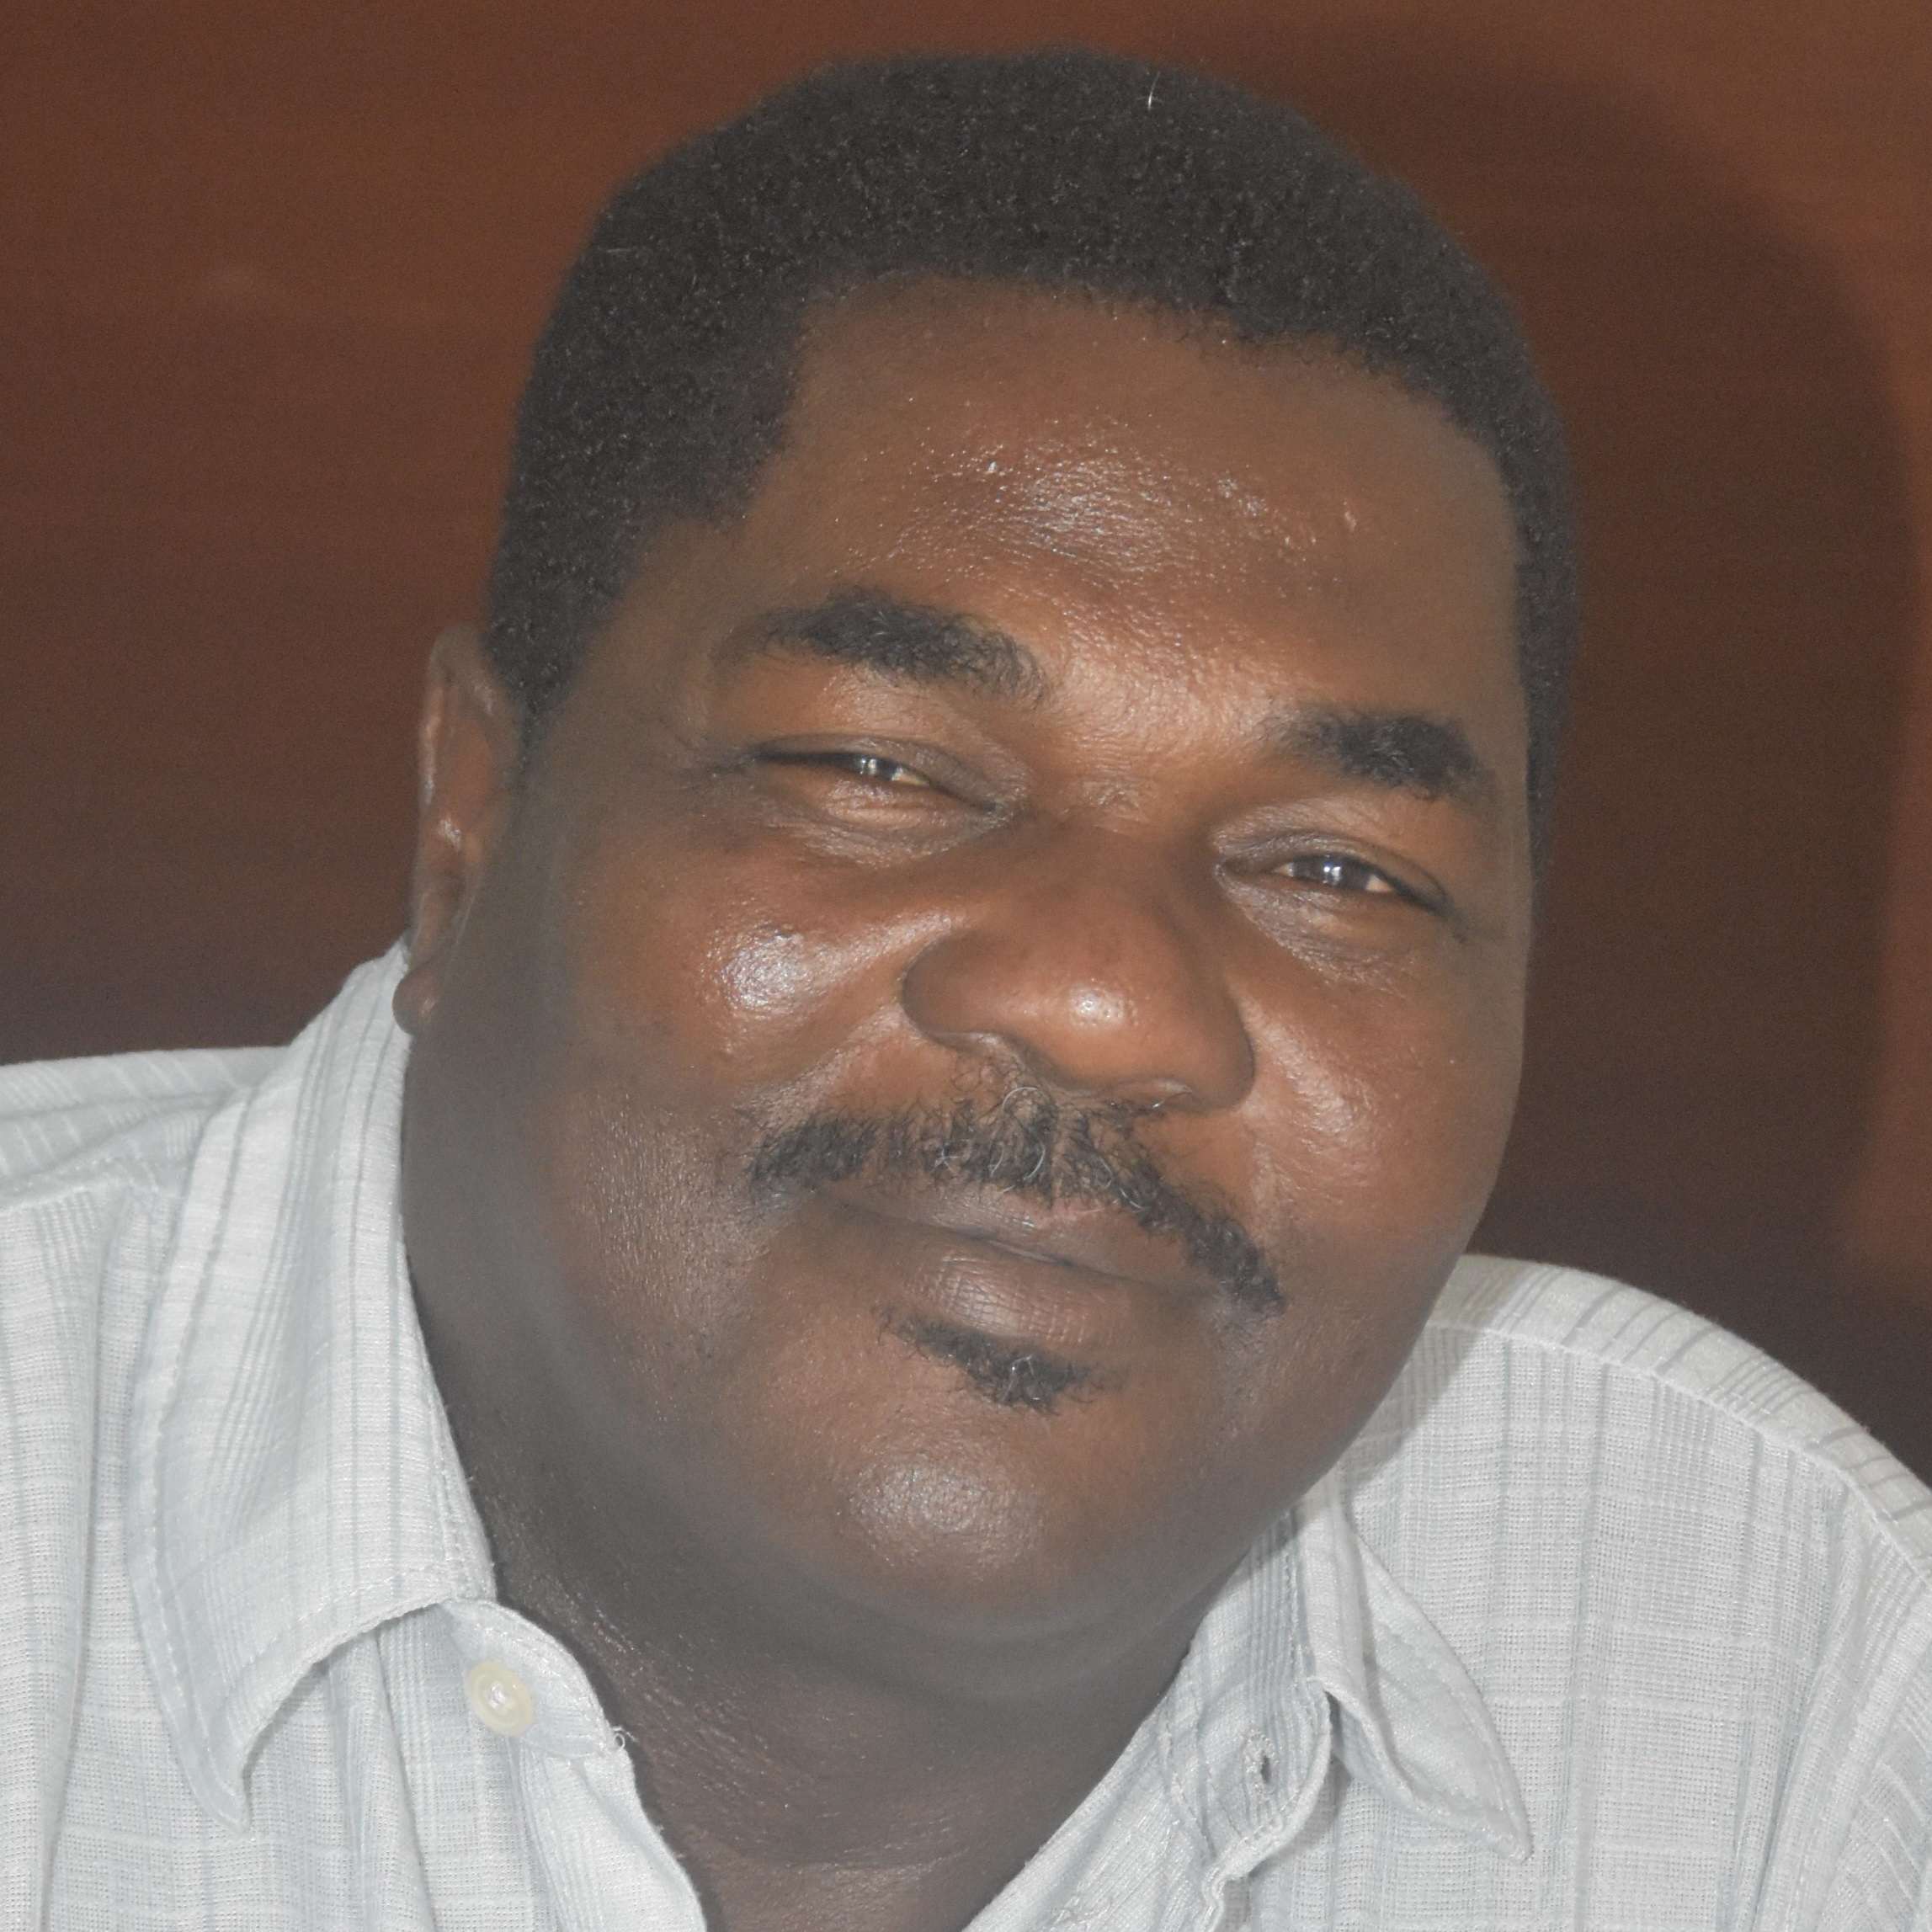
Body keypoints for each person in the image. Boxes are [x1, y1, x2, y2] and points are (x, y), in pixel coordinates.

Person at [3, 47, 1928, 1932]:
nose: (1106, 1002)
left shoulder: (1787, 1685)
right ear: (468, 821)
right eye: (881, 768)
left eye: (1337, 869)